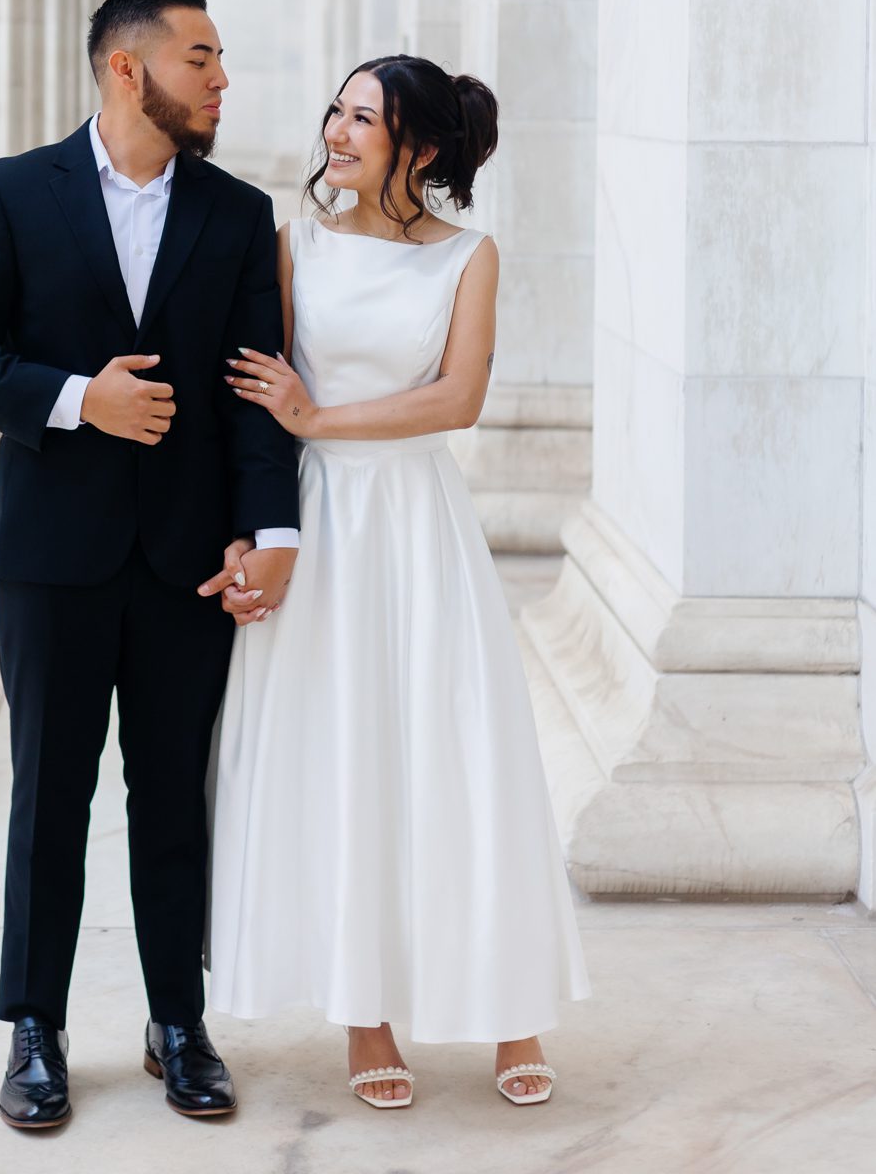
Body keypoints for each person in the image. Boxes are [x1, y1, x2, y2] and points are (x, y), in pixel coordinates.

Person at [0, 0, 299, 1131]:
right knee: (49, 794)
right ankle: (34, 1026)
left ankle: (178, 1019)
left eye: (220, 58)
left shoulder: (237, 214)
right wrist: (80, 398)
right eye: (200, 57)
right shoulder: (11, 191)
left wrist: (269, 527)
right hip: (52, 556)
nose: (221, 78)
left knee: (172, 794)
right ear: (127, 68)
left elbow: (254, 394)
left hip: (188, 559)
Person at [201, 54, 589, 1111]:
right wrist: (252, 527)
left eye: (361, 117)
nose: (334, 129)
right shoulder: (297, 245)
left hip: (418, 521)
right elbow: (255, 401)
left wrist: (319, 415)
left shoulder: (469, 255)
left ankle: (510, 1008)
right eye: (336, 108)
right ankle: (363, 1015)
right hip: (321, 521)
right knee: (342, 756)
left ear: (416, 146)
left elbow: (458, 398)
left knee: (457, 750)